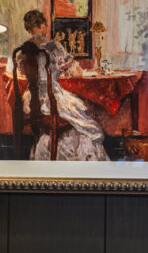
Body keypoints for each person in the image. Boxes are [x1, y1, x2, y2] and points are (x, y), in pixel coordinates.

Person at [16, 9, 108, 161]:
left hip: (31, 101)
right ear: (43, 25)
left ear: (28, 29)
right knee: (84, 116)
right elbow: (74, 72)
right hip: (50, 98)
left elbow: (21, 71)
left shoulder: (22, 51)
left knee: (76, 114)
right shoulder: (53, 47)